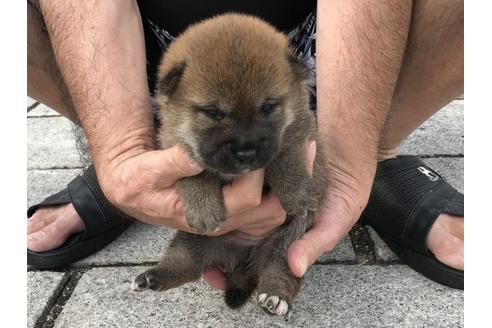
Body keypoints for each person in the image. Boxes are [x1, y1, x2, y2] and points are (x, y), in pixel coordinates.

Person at [27, 0, 463, 289]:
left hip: (333, 47)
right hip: (147, 57)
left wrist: (346, 158)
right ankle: (134, 162)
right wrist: (120, 145)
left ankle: (372, 157)